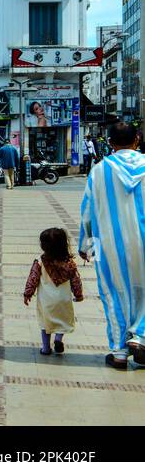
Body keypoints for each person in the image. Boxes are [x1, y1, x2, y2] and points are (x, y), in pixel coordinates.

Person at [78, 122, 145, 370]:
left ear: (111, 143)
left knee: (113, 293)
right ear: (136, 140)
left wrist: (85, 245)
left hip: (107, 245)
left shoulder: (99, 170)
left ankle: (119, 351)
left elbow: (87, 210)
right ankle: (140, 335)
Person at [23, 227, 84, 356]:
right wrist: (78, 295)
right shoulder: (69, 263)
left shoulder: (40, 262)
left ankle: (45, 348)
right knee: (62, 321)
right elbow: (76, 280)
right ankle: (58, 339)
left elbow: (32, 278)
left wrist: (28, 293)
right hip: (63, 300)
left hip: (46, 301)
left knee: (46, 324)